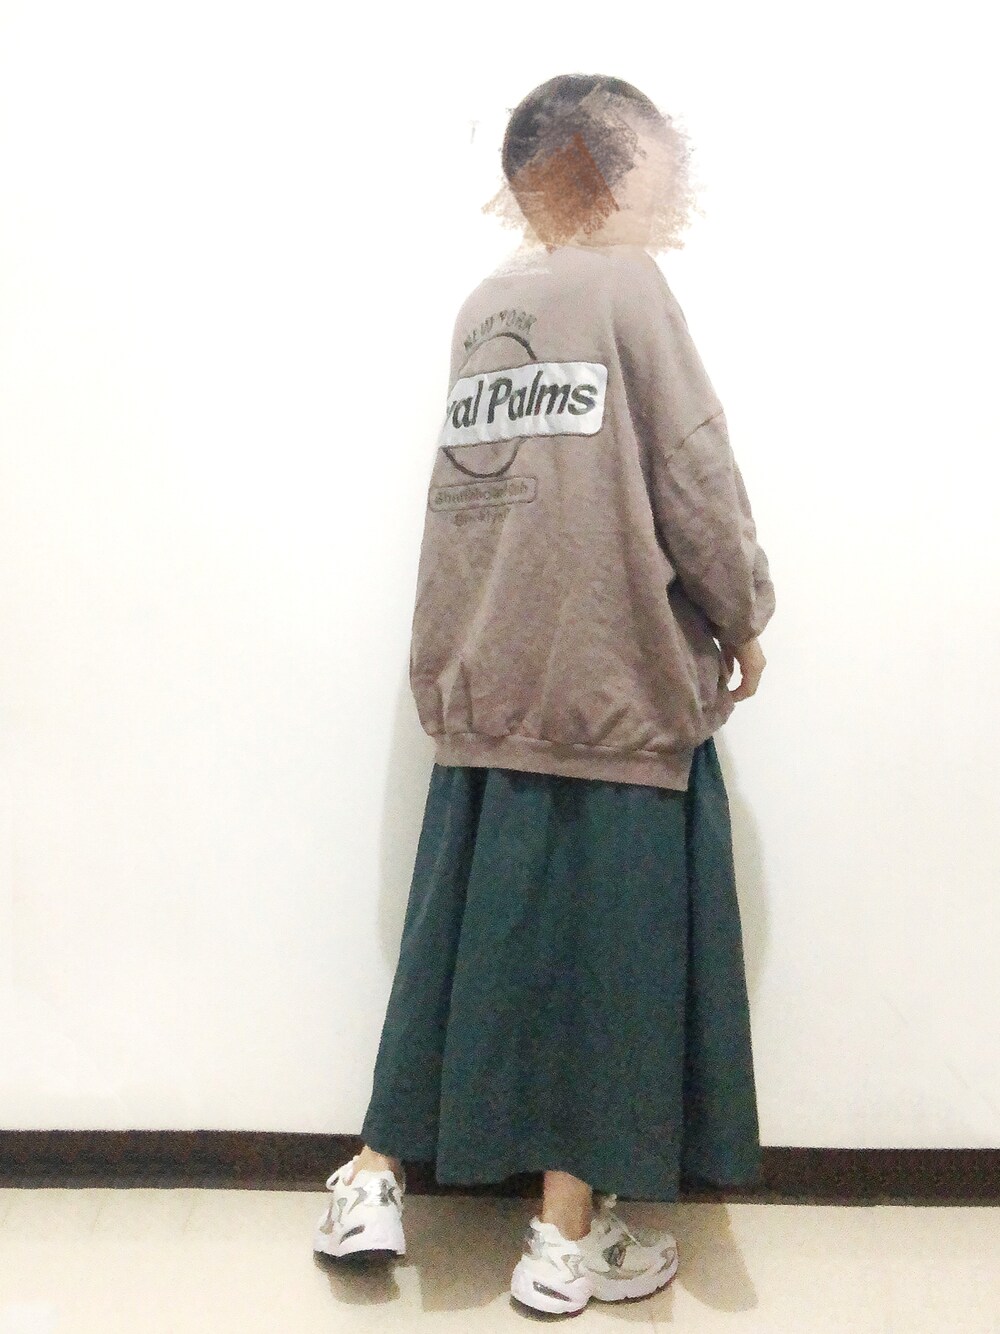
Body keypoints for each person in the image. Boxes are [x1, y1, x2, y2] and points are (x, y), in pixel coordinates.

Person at [313, 73, 775, 1317]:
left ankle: (371, 1176)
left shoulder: (487, 308)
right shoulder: (628, 290)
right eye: (658, 161)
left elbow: (473, 490)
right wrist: (744, 613)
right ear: (605, 170)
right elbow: (692, 471)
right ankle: (564, 1241)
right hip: (607, 682)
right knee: (608, 967)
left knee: (461, 946)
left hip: (487, 681)